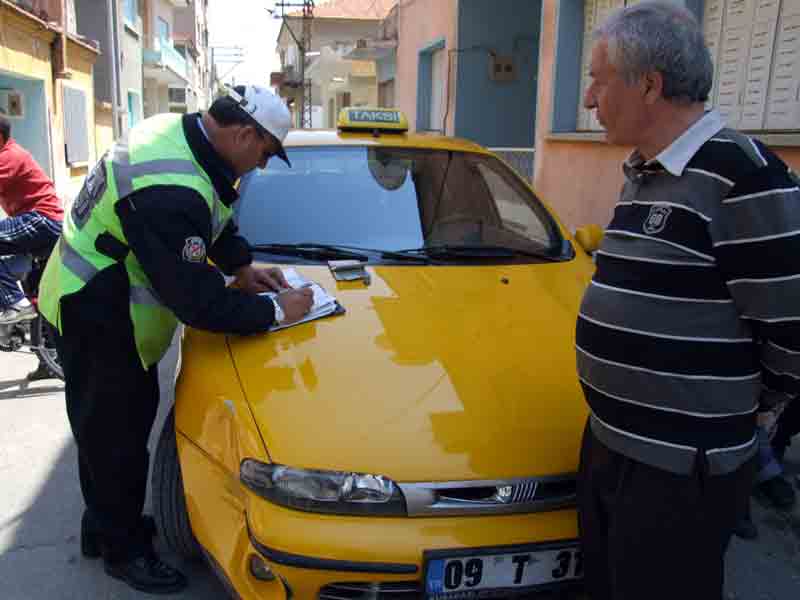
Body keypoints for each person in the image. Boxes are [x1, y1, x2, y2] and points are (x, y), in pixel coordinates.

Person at [38, 85, 314, 594]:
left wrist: (242, 265)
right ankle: (124, 552)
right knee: (116, 436)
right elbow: (199, 303)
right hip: (97, 311)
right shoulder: (169, 186)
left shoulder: (178, 136)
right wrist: (277, 308)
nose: (264, 164)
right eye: (266, 152)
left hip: (98, 302)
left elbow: (212, 216)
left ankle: (103, 526)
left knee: (106, 429)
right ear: (243, 133)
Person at [576, 3, 800, 599]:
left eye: (599, 79)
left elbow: (793, 330)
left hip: (681, 472)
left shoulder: (744, 176)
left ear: (648, 85)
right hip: (612, 448)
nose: (589, 100)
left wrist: (743, 414)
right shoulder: (646, 172)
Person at [0, 114, 64, 380]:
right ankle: (49, 361)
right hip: (34, 224)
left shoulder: (9, 156)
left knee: (23, 296)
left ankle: (14, 303)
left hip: (43, 220)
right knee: (39, 293)